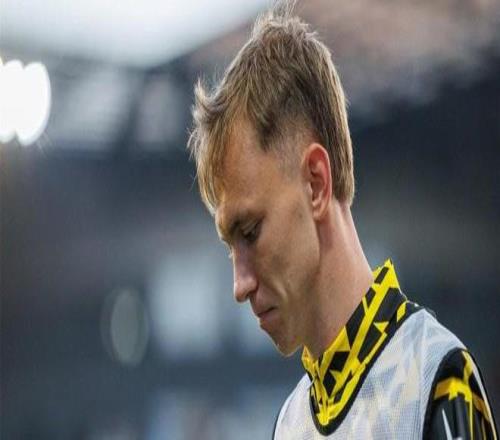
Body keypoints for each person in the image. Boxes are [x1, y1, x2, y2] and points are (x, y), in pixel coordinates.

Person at [187, 3, 498, 439]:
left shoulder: (435, 378)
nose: (239, 286)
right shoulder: (289, 423)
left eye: (251, 232)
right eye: (230, 246)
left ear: (316, 183)